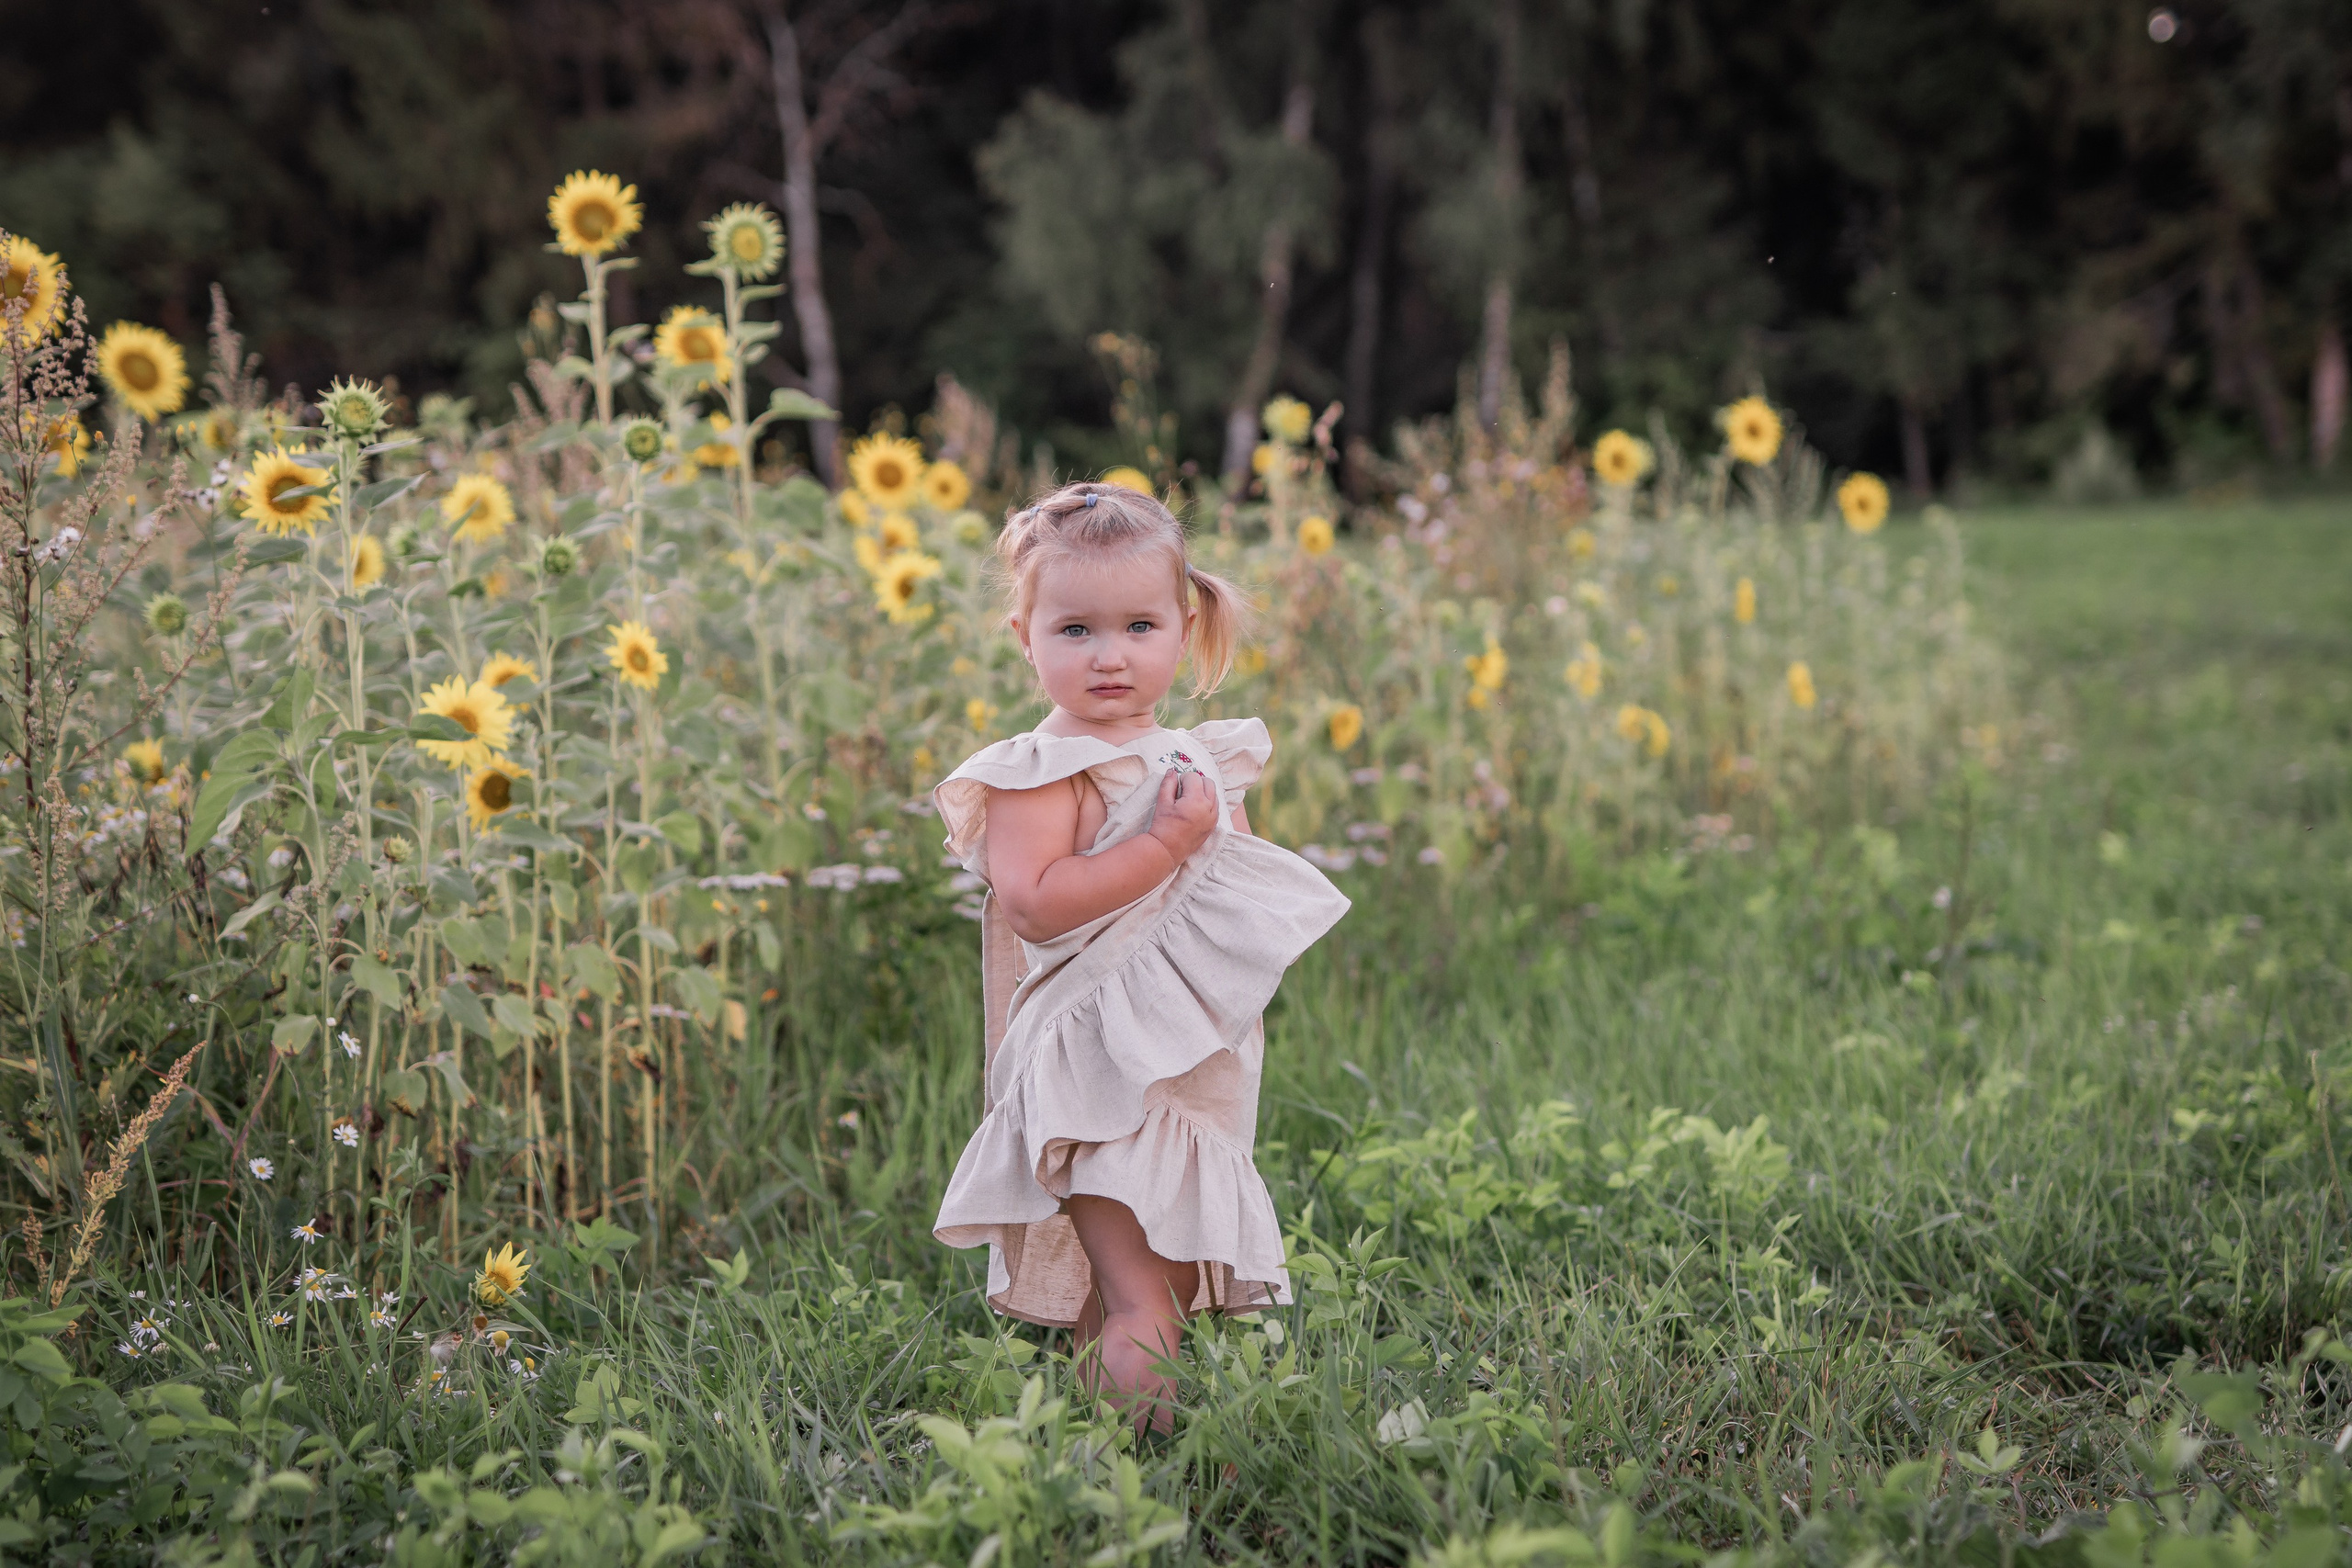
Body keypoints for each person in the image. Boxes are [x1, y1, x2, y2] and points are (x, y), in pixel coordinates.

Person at [931, 479, 1351, 1432]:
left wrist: (1202, 834)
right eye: (1075, 630)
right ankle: (1162, 1484)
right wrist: (1159, 844)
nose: (1109, 656)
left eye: (1138, 626)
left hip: (1181, 1074)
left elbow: (1217, 904)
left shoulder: (1196, 755)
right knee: (1144, 1305)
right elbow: (1034, 905)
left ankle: (1089, 1458)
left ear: (1184, 624)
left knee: (1130, 1298)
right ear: (1023, 638)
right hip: (1100, 1077)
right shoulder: (1040, 770)